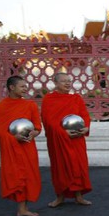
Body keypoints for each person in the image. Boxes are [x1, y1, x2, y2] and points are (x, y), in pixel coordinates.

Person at [0, 76, 42, 216]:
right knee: (17, 175)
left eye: (26, 86)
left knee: (28, 175)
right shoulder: (2, 107)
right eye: (22, 86)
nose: (25, 89)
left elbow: (37, 126)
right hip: (11, 148)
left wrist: (34, 133)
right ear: (12, 88)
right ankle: (21, 209)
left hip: (27, 146)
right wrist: (13, 138)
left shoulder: (30, 105)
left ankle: (24, 208)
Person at [41, 72, 92, 207]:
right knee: (60, 167)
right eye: (63, 81)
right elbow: (48, 121)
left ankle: (79, 196)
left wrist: (86, 127)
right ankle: (60, 197)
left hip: (77, 138)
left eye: (69, 81)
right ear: (56, 83)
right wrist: (63, 133)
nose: (67, 83)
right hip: (59, 139)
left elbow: (84, 115)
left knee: (78, 166)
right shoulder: (49, 99)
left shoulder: (76, 98)